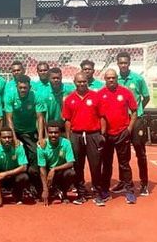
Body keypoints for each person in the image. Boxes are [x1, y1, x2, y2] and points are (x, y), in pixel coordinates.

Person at [62, 72, 103, 205]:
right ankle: (81, 193)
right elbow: (67, 121)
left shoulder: (95, 97)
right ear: (74, 82)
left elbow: (102, 117)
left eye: (84, 81)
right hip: (76, 135)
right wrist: (68, 138)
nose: (82, 84)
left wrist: (102, 134)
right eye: (79, 82)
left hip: (93, 135)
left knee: (95, 165)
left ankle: (98, 193)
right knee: (78, 166)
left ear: (87, 82)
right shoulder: (69, 99)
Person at [98, 69, 138, 205]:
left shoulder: (125, 92)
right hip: (106, 135)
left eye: (113, 78)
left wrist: (129, 129)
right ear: (105, 79)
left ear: (116, 78)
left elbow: (134, 111)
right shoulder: (100, 94)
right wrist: (101, 133)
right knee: (106, 164)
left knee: (124, 164)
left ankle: (130, 191)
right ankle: (104, 191)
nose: (111, 80)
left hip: (122, 133)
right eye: (108, 78)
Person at [115, 51, 151, 196]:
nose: (123, 65)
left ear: (129, 63)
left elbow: (146, 97)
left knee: (140, 152)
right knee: (122, 153)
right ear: (117, 64)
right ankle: (124, 181)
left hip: (136, 120)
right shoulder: (115, 79)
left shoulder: (137, 79)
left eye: (125, 62)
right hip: (120, 121)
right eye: (121, 63)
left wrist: (138, 109)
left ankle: (144, 183)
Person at [4, 74, 46, 193]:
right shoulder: (10, 96)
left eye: (25, 88)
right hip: (15, 130)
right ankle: (10, 185)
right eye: (20, 87)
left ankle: (33, 185)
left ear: (29, 87)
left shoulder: (36, 96)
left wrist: (41, 137)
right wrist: (14, 137)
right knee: (12, 155)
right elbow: (9, 118)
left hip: (30, 131)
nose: (23, 90)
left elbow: (40, 118)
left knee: (34, 155)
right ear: (17, 86)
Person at [38, 120, 76, 206]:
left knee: (71, 173)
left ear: (59, 133)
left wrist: (54, 169)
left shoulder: (66, 142)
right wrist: (45, 189)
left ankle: (64, 193)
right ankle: (48, 191)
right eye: (51, 132)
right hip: (47, 172)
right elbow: (42, 168)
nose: (53, 135)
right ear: (47, 133)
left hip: (60, 171)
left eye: (56, 132)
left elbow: (71, 163)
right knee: (35, 172)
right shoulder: (42, 145)